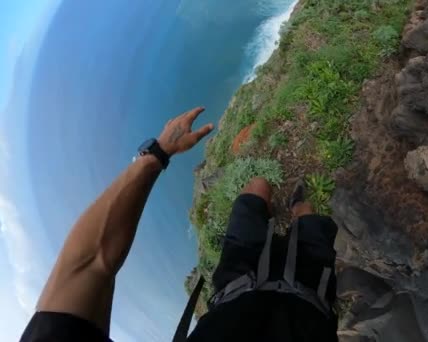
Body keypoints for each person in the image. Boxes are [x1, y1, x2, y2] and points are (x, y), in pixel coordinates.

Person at [20, 107, 339, 342]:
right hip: (301, 297)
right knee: (307, 219)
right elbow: (88, 264)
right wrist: (157, 153)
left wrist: (159, 152)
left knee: (255, 191)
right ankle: (300, 208)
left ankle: (292, 206)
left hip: (244, 284)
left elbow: (90, 265)